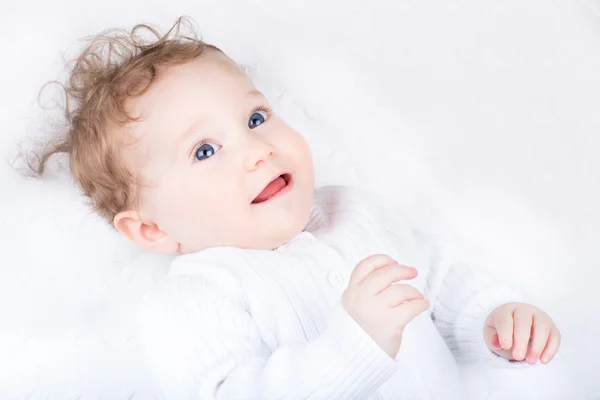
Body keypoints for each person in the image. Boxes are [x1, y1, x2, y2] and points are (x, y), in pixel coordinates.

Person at [31, 17, 561, 399]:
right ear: (149, 230)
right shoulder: (195, 297)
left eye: (256, 118)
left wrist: (493, 319)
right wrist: (354, 346)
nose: (256, 150)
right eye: (206, 150)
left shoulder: (354, 214)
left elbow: (439, 282)